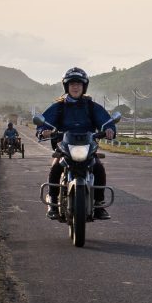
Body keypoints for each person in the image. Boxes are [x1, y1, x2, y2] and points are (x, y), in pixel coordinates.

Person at [36, 67, 116, 220]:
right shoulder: (58, 107)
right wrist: (43, 131)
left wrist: (109, 129)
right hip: (64, 146)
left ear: (84, 86)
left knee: (98, 167)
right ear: (66, 86)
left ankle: (99, 204)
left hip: (88, 146)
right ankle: (53, 201)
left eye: (79, 83)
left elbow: (106, 121)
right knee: (56, 167)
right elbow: (44, 122)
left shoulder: (92, 106)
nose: (75, 86)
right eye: (72, 83)